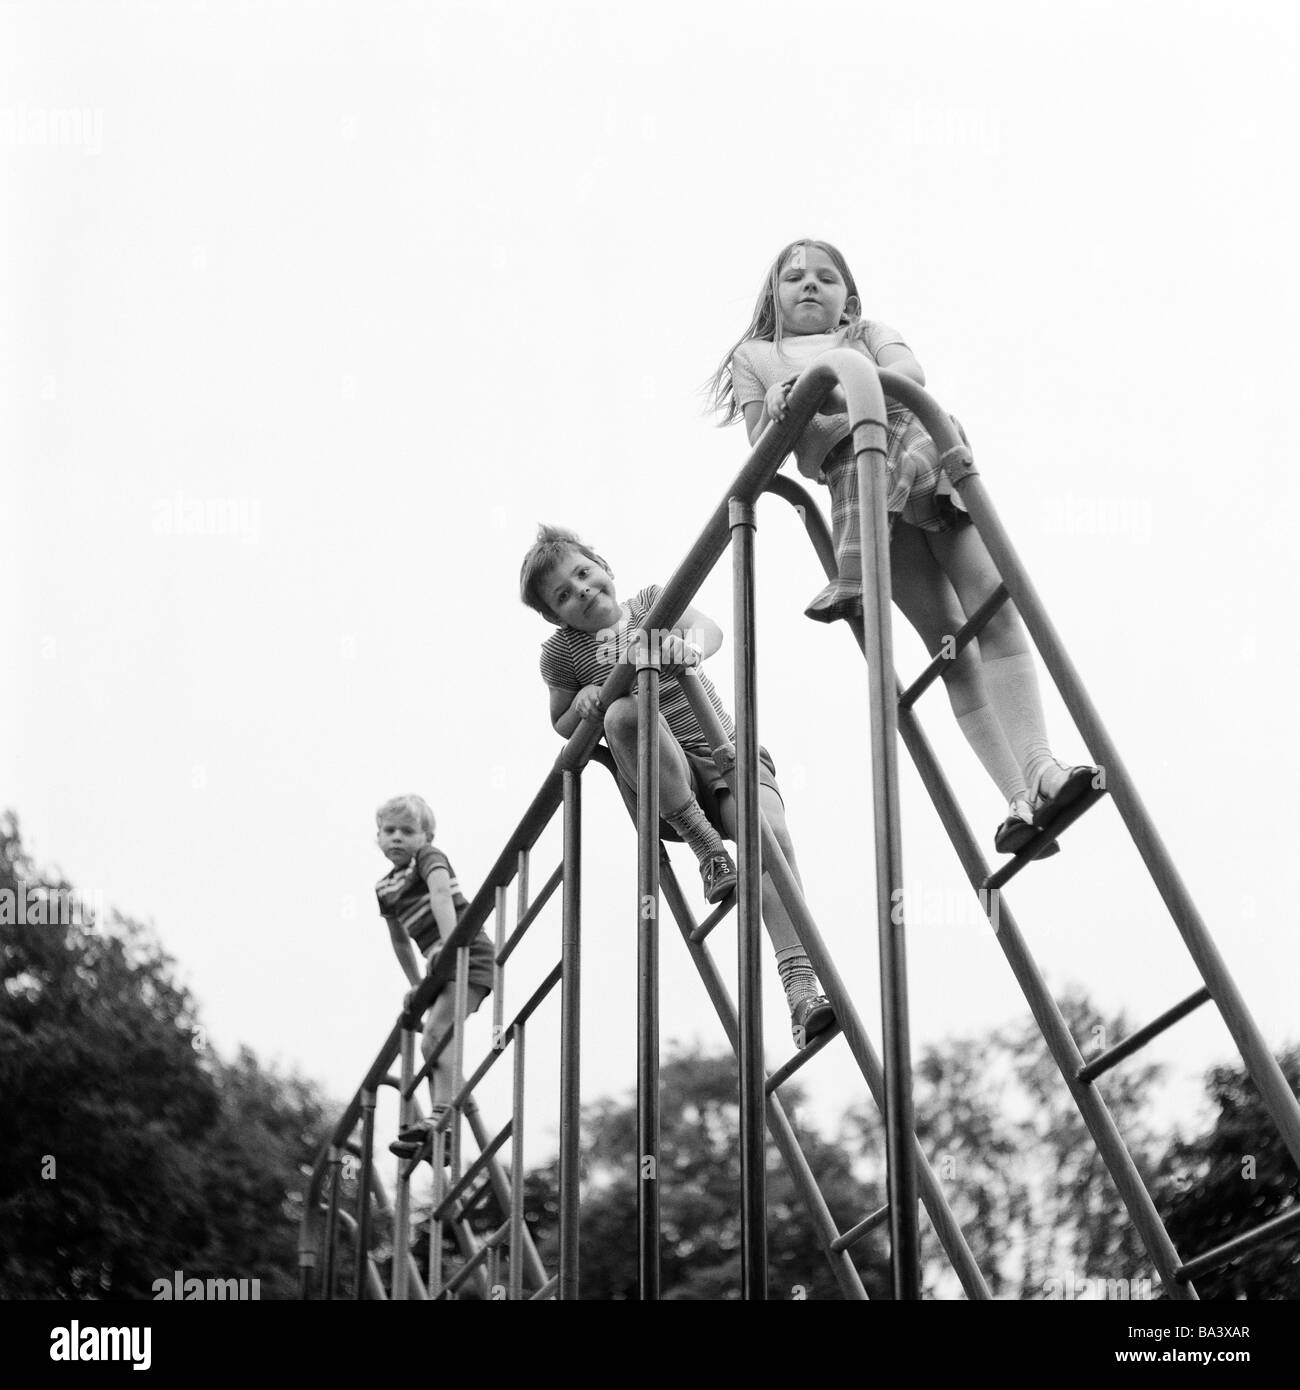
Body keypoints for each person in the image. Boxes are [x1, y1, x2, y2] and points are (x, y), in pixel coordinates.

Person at [710, 238, 1097, 855]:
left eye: (827, 277)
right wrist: (783, 411)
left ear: (848, 298)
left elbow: (911, 378)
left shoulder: (865, 333)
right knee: (946, 643)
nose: (810, 284)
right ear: (773, 298)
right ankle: (1017, 798)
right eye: (795, 278)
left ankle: (1043, 765)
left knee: (991, 608)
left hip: (919, 448)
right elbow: (761, 445)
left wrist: (833, 389)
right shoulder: (757, 355)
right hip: (858, 481)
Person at [519, 524, 835, 1047]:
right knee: (622, 708)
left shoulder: (650, 604)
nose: (582, 591)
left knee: (770, 836)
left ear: (602, 564)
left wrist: (682, 645)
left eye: (583, 573)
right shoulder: (561, 656)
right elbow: (559, 721)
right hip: (666, 781)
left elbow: (709, 631)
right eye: (564, 596)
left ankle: (800, 985)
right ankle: (706, 847)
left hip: (725, 754)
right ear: (555, 616)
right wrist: (581, 704)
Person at [373, 794, 494, 1160]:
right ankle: (439, 1129)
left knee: (437, 1034)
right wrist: (415, 984)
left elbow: (442, 896)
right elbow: (400, 940)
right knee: (430, 1043)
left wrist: (449, 943)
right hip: (439, 964)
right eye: (388, 831)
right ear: (377, 837)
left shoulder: (430, 857)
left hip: (468, 953)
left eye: (407, 831)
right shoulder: (385, 888)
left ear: (426, 836)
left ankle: (442, 1121)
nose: (397, 837)